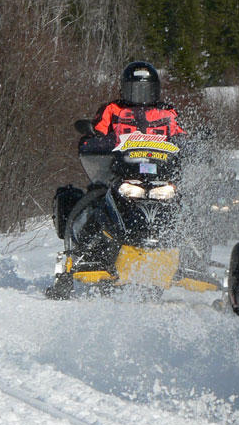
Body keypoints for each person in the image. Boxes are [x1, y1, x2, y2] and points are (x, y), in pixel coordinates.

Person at [48, 62, 185, 296]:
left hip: (158, 177)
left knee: (187, 208)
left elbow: (181, 139)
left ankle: (192, 260)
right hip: (118, 174)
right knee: (97, 204)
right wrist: (93, 140)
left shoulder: (167, 113)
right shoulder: (113, 110)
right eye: (134, 90)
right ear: (124, 89)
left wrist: (192, 148)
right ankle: (84, 254)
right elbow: (97, 135)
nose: (140, 96)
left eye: (146, 90)